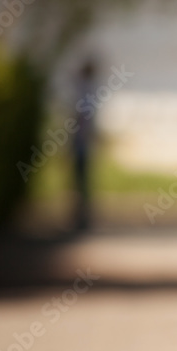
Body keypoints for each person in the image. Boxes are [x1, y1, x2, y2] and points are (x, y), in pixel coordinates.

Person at [72, 59, 96, 232]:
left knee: (80, 180)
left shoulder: (84, 92)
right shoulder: (88, 91)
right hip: (83, 143)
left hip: (81, 143)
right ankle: (81, 215)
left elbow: (81, 118)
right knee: (82, 180)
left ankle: (82, 216)